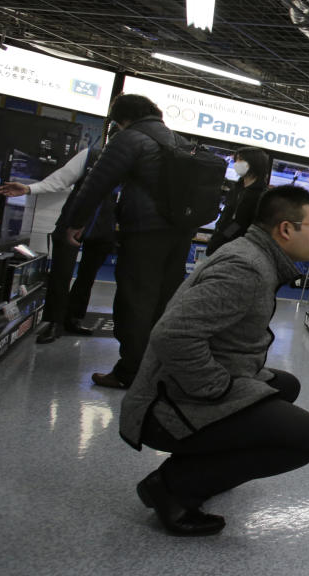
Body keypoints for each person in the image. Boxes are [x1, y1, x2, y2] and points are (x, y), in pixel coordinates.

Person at [120, 185, 309, 536]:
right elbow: (173, 335)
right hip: (164, 405)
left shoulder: (255, 257)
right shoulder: (246, 268)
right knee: (308, 436)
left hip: (180, 388)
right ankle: (173, 487)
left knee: (284, 385)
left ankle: (203, 465)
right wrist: (217, 389)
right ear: (286, 229)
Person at [64, 94, 196, 389]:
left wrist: (76, 221)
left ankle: (129, 372)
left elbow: (96, 183)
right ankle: (156, 369)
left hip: (143, 232)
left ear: (121, 120)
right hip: (179, 235)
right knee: (163, 302)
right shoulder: (181, 142)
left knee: (134, 301)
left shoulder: (130, 139)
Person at [0, 135, 117, 344]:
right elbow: (61, 178)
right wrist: (29, 188)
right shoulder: (91, 156)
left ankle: (73, 318)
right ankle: (54, 322)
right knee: (61, 273)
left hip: (104, 226)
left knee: (87, 277)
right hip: (73, 219)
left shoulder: (135, 165)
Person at [205, 147, 270, 255]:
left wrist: (220, 240)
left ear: (253, 163)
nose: (236, 163)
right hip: (221, 242)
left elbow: (239, 223)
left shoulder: (260, 195)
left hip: (237, 249)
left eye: (240, 160)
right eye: (236, 160)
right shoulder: (237, 188)